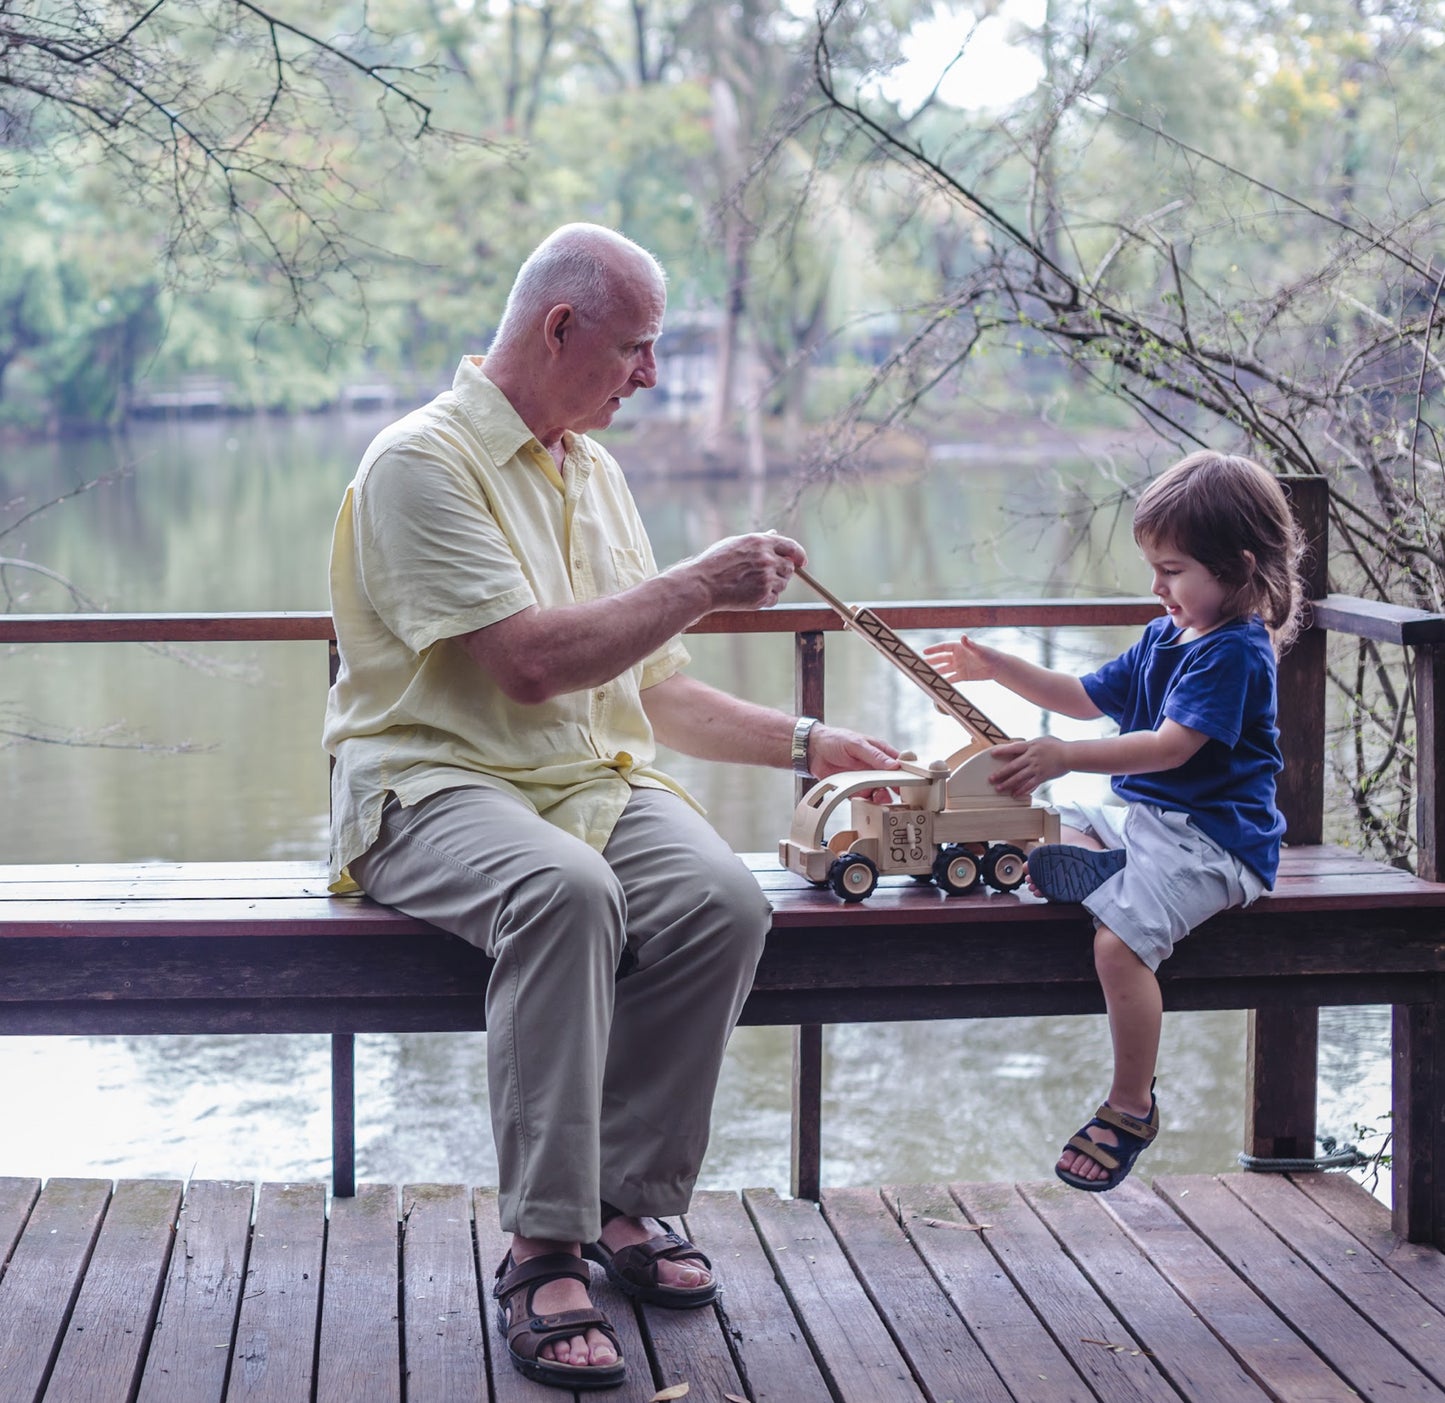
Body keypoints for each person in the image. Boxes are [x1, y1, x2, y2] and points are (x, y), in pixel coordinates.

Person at [322, 222, 898, 1390]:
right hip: (429, 781)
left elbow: (652, 688)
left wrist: (806, 741)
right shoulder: (418, 463)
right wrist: (699, 580)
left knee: (726, 901)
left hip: (582, 780)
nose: (649, 375)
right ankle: (543, 1243)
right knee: (564, 891)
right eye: (636, 349)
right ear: (559, 328)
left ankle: (629, 1203)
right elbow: (529, 665)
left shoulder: (593, 468)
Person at [924, 451, 1304, 1193]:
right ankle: (1103, 866)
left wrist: (1064, 755)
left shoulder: (1235, 651)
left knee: (1116, 945)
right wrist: (995, 664)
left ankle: (1129, 1104)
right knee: (1039, 816)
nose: (1156, 585)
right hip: (1149, 818)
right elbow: (1079, 696)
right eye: (1153, 567)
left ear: (1238, 566)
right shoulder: (1168, 634)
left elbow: (1169, 747)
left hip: (1214, 842)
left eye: (1172, 569)